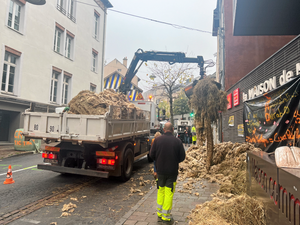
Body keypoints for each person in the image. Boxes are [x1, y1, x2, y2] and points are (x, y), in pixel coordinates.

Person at [150, 122, 186, 223]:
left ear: (164, 130)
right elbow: (182, 157)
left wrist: (159, 161)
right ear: (173, 129)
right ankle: (166, 215)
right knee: (169, 192)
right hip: (172, 171)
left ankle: (160, 213)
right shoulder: (177, 141)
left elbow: (151, 155)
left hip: (160, 171)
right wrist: (174, 161)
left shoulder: (157, 140)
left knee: (160, 190)